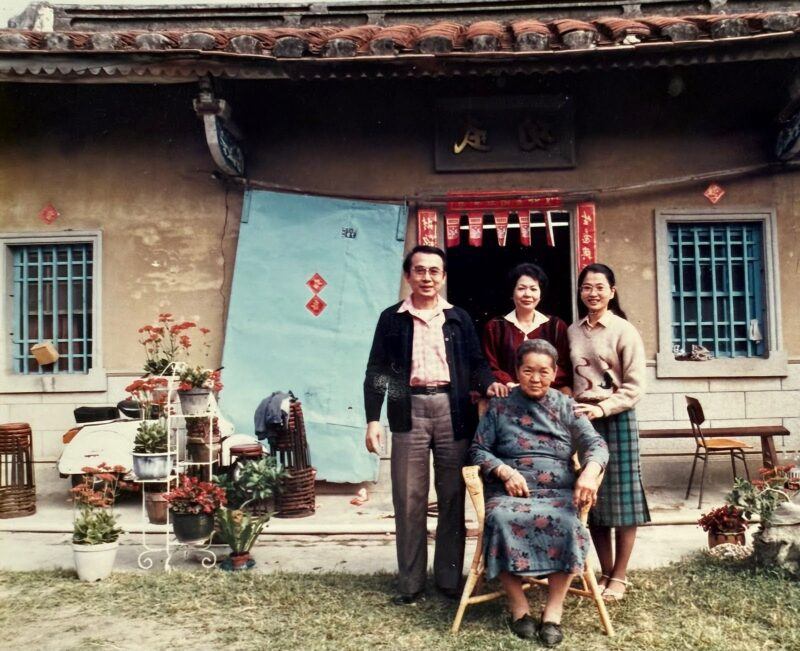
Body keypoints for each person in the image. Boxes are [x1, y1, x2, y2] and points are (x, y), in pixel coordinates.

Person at [363, 244, 508, 605]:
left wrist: (488, 381)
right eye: (420, 270)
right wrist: (372, 419)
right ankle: (410, 584)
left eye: (434, 271)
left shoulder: (458, 317)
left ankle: (448, 580)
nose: (427, 277)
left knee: (452, 496)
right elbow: (377, 372)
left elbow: (476, 363)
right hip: (406, 409)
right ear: (408, 275)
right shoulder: (391, 318)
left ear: (443, 277)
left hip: (452, 410)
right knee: (408, 498)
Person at [469, 339, 607, 647]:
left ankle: (553, 611)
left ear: (555, 372)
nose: (535, 378)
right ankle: (520, 608)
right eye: (528, 370)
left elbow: (596, 444)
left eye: (544, 372)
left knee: (569, 522)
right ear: (517, 371)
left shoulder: (565, 405)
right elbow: (478, 449)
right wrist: (503, 470)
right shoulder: (501, 405)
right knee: (501, 519)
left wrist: (590, 471)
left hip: (559, 490)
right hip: (511, 490)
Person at [568, 262, 650, 602]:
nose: (593, 293)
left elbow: (635, 387)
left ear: (612, 291)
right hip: (584, 420)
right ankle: (603, 571)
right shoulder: (572, 331)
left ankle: (620, 576)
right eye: (587, 287)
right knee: (594, 499)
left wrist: (603, 408)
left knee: (625, 500)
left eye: (600, 287)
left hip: (616, 417)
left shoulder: (623, 331)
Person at [482, 263, 572, 393]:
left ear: (541, 294)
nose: (527, 294)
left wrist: (539, 384)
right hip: (508, 394)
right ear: (512, 292)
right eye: (521, 288)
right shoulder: (495, 326)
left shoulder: (556, 326)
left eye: (533, 289)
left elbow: (563, 366)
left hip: (548, 395)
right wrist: (510, 384)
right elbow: (491, 365)